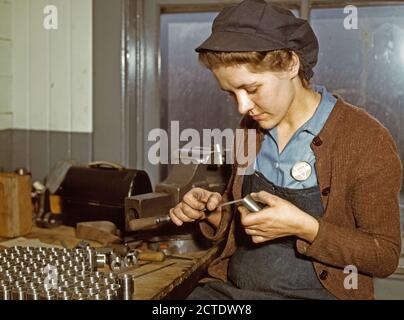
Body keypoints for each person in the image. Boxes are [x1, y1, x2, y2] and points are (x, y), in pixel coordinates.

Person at [169, 0, 402, 300]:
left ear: (291, 64)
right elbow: (240, 227)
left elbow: (384, 256)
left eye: (252, 89)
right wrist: (213, 213)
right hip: (234, 292)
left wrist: (307, 228)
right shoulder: (250, 131)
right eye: (231, 93)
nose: (243, 107)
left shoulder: (365, 139)